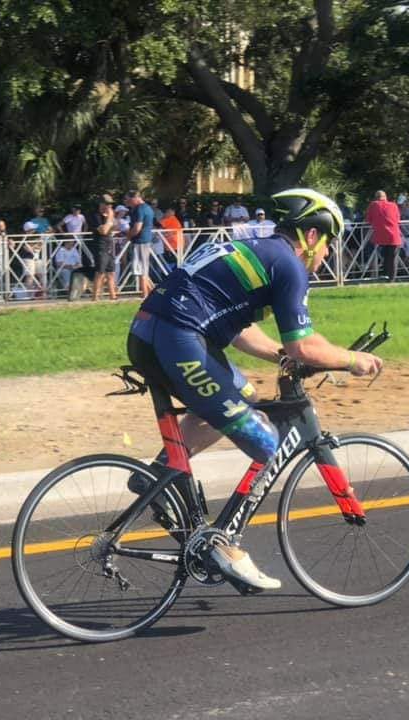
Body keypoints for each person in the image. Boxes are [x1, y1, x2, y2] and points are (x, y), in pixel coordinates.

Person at [127, 188, 383, 591]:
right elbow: (305, 345)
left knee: (240, 397)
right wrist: (353, 360)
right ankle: (221, 546)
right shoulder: (290, 265)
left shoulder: (255, 251)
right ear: (311, 236)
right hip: (179, 339)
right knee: (266, 442)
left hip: (153, 333)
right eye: (328, 243)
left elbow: (240, 327)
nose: (328, 255)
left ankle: (160, 477)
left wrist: (280, 357)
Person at [365, 191, 401, 281]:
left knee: (376, 253)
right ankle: (391, 279)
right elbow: (398, 219)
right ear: (386, 197)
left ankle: (378, 274)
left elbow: (368, 220)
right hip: (393, 235)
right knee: (392, 258)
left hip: (379, 236)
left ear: (376, 197)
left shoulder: (373, 205)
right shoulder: (393, 205)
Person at [126, 190, 156, 298]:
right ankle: (153, 293)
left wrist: (128, 236)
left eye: (129, 199)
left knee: (141, 270)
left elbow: (137, 227)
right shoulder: (147, 208)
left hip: (140, 242)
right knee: (142, 269)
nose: (127, 202)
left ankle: (145, 295)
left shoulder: (140, 209)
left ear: (135, 198)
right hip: (145, 241)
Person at [91, 194, 119, 301]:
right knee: (100, 272)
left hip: (109, 244)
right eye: (107, 204)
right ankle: (95, 297)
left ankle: (113, 296)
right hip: (100, 245)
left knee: (111, 272)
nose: (109, 206)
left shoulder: (108, 216)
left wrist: (111, 219)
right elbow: (103, 231)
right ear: (101, 204)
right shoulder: (95, 216)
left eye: (110, 204)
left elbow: (115, 228)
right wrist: (110, 218)